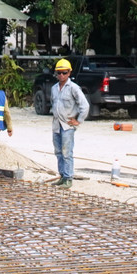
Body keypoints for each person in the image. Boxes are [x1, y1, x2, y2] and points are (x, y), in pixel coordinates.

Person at [49, 58, 88, 188]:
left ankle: (68, 178)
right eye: (59, 73)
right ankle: (62, 176)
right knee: (58, 152)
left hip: (67, 126)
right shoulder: (54, 88)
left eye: (64, 72)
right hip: (56, 125)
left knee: (67, 152)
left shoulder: (73, 88)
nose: (61, 75)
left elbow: (84, 105)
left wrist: (78, 121)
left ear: (69, 73)